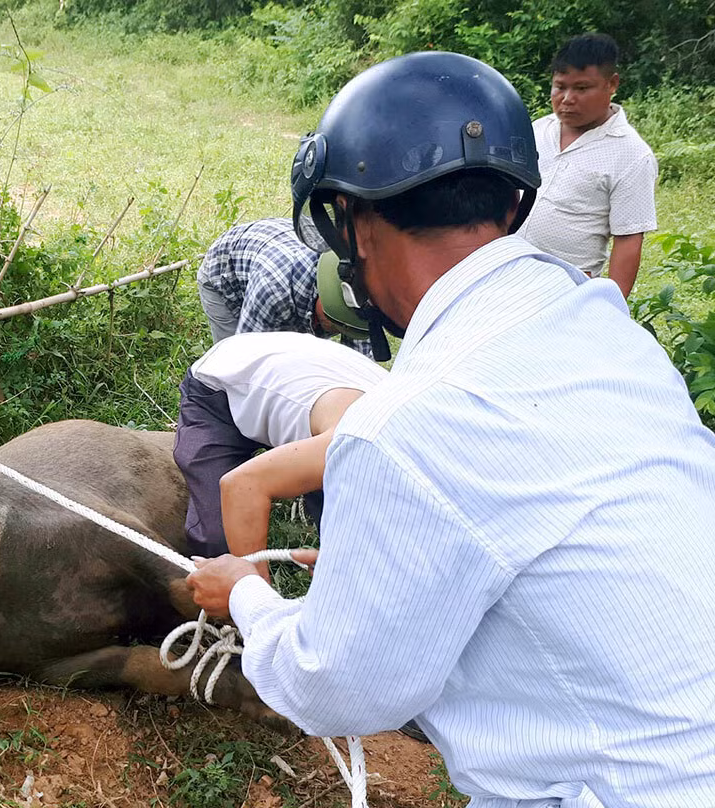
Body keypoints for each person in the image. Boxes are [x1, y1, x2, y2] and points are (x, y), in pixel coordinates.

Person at [187, 51, 715, 807]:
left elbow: (337, 688)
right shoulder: (607, 334)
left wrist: (246, 594)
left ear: (357, 228)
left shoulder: (402, 428)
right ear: (512, 204)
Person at [172, 328, 386, 566]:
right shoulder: (351, 444)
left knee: (344, 534)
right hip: (222, 381)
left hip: (302, 376)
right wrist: (252, 593)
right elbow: (241, 485)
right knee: (218, 538)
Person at [516, 33, 658, 298]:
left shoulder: (631, 154)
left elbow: (627, 240)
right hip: (507, 275)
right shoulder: (537, 130)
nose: (567, 98)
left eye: (582, 88)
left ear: (612, 84)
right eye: (560, 86)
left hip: (566, 291)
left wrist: (612, 307)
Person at [196, 217, 329, 341]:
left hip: (268, 256)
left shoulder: (345, 293)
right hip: (221, 271)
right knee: (231, 354)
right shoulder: (273, 288)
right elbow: (249, 358)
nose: (342, 328)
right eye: (336, 323)